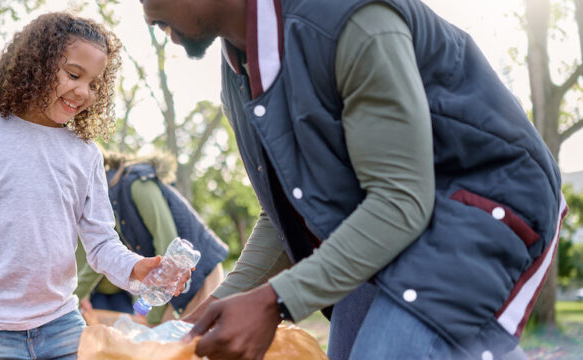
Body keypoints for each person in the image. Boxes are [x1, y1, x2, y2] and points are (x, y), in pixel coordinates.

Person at [137, 0, 566, 359]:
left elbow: (401, 199)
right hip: (380, 225)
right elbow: (287, 212)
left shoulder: (346, 18)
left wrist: (275, 300)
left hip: (480, 204)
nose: (144, 12)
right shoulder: (236, 77)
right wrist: (211, 311)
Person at [0, 13, 188, 360]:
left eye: (95, 84)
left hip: (61, 325)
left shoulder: (85, 153)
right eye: (74, 75)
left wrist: (137, 268)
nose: (83, 92)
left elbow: (101, 242)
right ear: (37, 64)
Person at [75, 151, 229, 325]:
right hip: (172, 285)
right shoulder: (113, 201)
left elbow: (168, 243)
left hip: (198, 273)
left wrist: (152, 315)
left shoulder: (136, 183)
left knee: (184, 345)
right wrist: (72, 302)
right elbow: (101, 256)